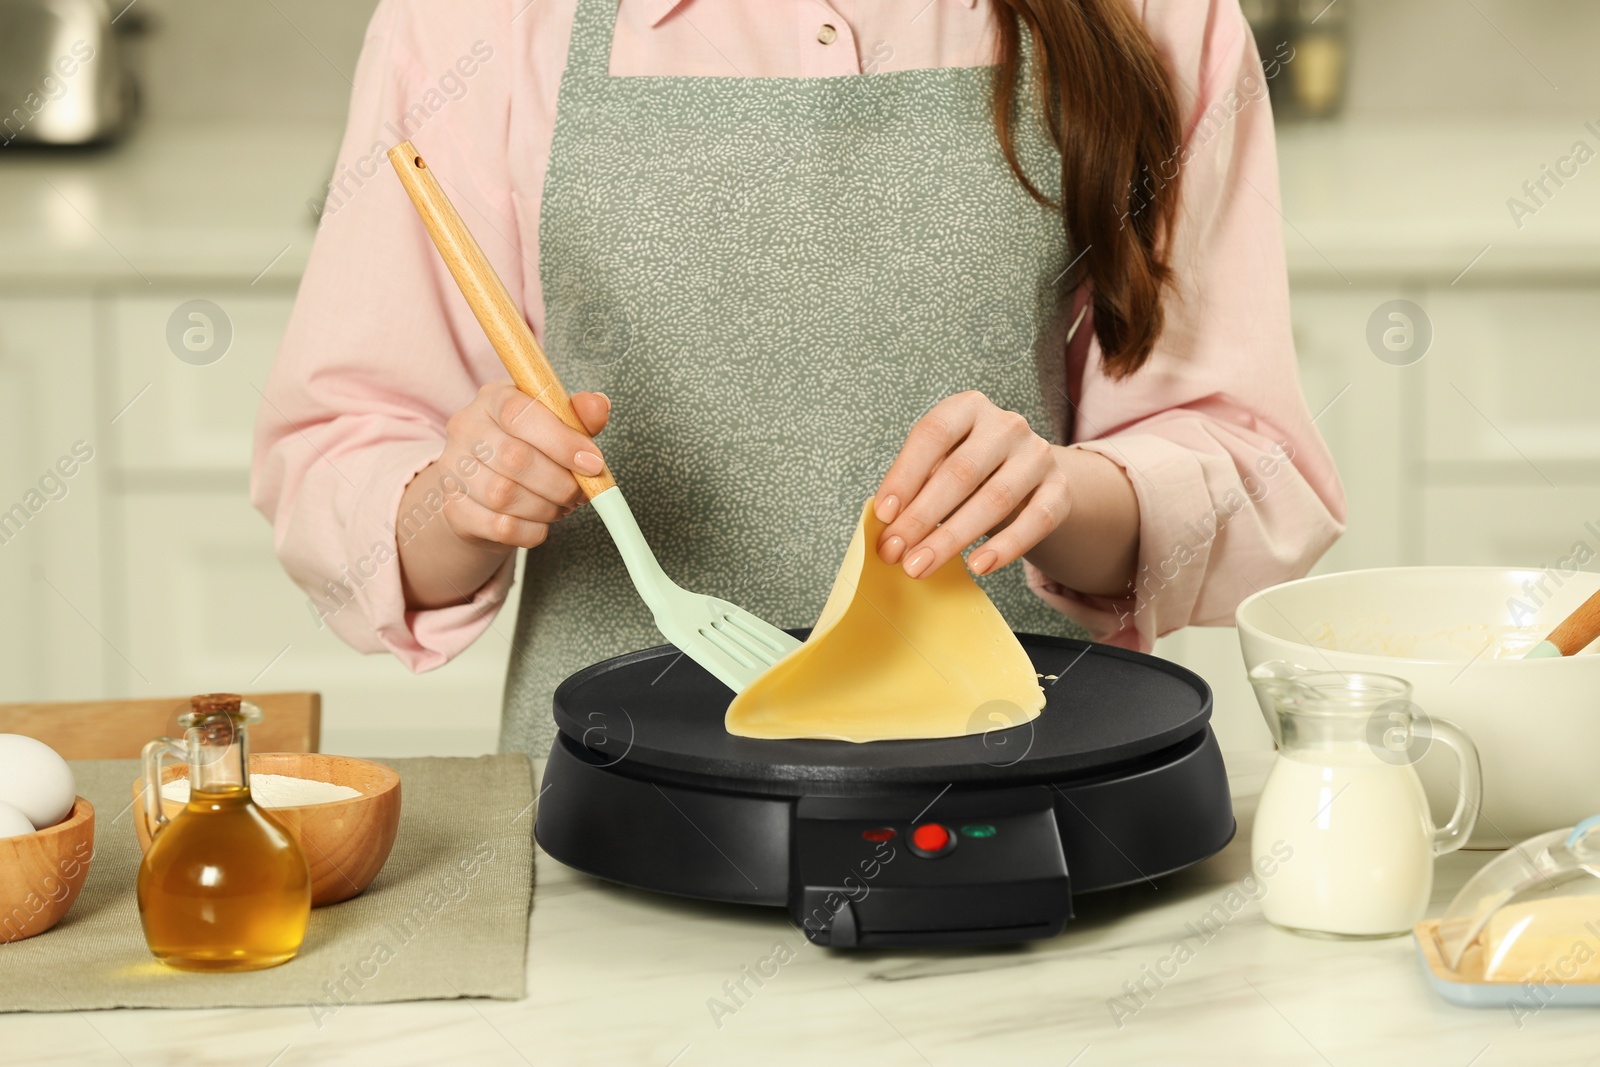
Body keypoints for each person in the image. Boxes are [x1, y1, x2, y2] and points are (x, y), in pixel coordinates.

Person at [253, 0, 1345, 756]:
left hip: (1019, 798)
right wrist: (460, 499)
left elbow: (1250, 466)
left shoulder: (1154, 18)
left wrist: (1059, 495)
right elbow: (335, 472)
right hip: (610, 830)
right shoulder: (469, 25)